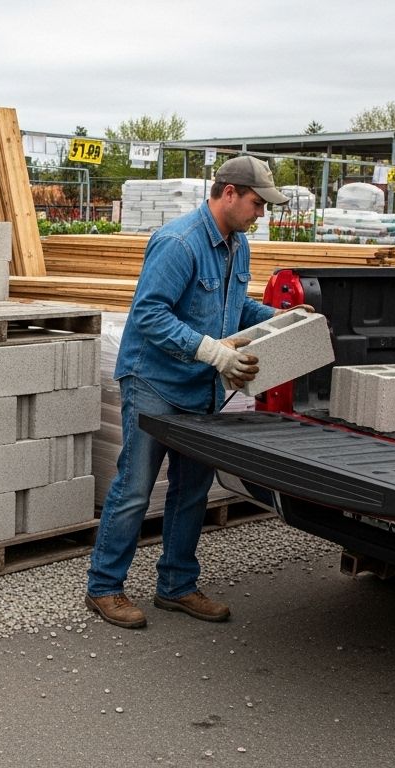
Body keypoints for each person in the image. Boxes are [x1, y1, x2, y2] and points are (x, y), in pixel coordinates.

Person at [85, 155, 309, 629]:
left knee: (192, 490)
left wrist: (281, 319)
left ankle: (177, 586)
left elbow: (233, 306)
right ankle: (104, 587)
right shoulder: (179, 243)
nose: (261, 214)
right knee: (135, 488)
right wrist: (215, 353)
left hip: (201, 384)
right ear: (228, 193)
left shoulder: (237, 244)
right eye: (256, 203)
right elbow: (149, 316)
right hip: (155, 380)